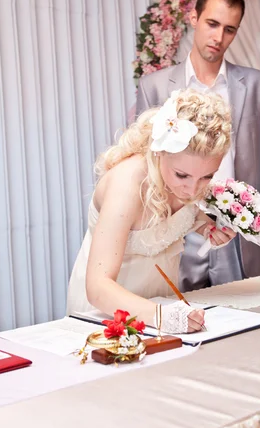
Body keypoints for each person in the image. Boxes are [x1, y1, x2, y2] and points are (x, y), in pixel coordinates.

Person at [136, 0, 260, 291]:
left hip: (239, 240)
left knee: (249, 329)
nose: (219, 37)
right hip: (178, 238)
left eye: (229, 29)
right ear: (193, 18)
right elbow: (145, 169)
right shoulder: (154, 87)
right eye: (212, 23)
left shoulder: (257, 85)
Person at [66, 88, 235, 334]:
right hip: (107, 311)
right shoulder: (126, 185)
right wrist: (163, 317)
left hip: (160, 302)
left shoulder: (186, 179)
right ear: (158, 152)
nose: (192, 189)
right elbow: (98, 287)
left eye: (207, 176)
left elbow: (176, 219)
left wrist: (205, 226)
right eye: (182, 175)